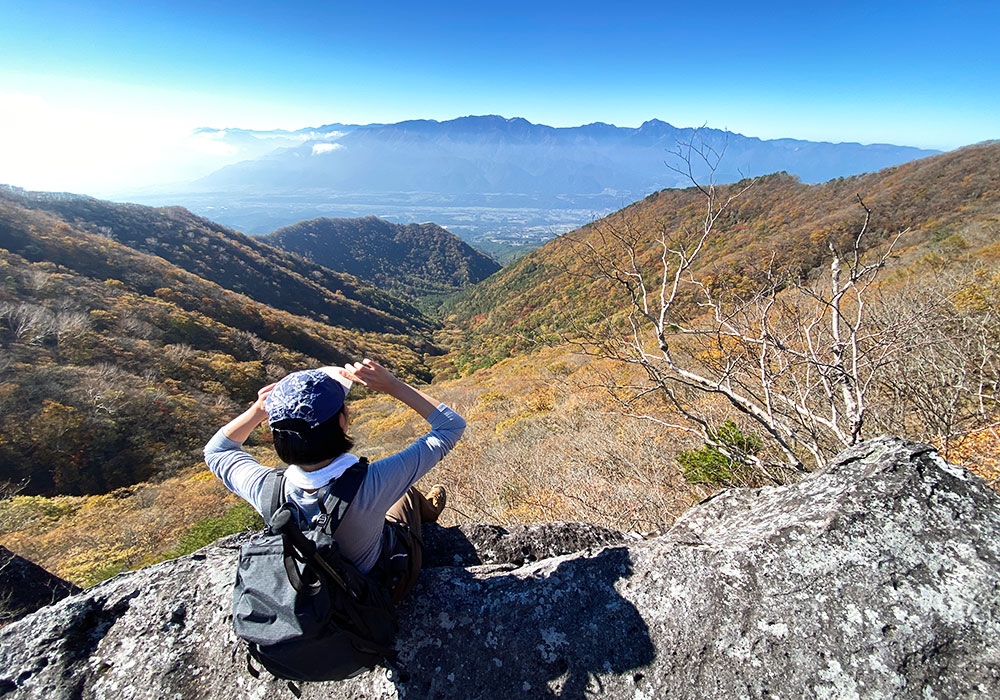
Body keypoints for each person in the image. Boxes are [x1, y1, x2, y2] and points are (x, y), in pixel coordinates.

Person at [204, 358, 465, 602]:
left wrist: (259, 410)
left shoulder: (265, 488)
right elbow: (450, 427)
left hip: (306, 598)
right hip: (370, 595)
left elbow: (218, 450)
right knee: (405, 494)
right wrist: (392, 385)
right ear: (342, 422)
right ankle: (427, 513)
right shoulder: (373, 483)